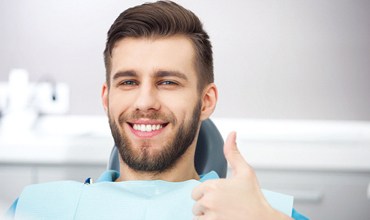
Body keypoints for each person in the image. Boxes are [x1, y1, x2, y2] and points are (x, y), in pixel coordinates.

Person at [7, 1, 308, 219]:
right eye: (128, 81)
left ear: (206, 101)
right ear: (106, 98)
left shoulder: (260, 211)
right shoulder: (38, 207)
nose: (144, 101)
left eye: (167, 81)